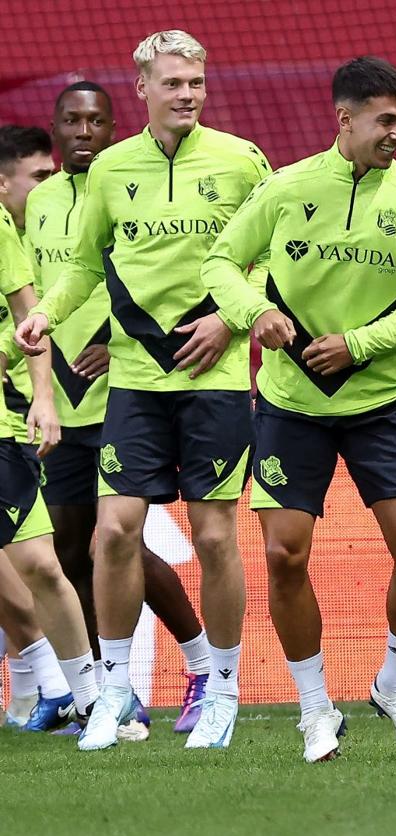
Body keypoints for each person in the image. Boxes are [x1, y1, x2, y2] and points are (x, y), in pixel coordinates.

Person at [16, 29, 272, 751]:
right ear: (143, 89)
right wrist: (45, 313)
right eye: (172, 83)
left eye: (196, 81)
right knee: (114, 532)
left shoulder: (242, 161)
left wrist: (230, 319)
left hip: (214, 380)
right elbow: (86, 270)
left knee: (217, 535)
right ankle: (116, 688)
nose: (186, 93)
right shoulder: (112, 169)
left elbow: (272, 258)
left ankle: (221, 689)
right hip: (134, 380)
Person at [202, 57, 396, 763]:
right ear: (346, 119)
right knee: (284, 554)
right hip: (289, 403)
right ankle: (315, 707)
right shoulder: (285, 188)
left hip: (380, 402)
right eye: (385, 119)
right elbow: (220, 262)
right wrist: (256, 313)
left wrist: (359, 344)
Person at [24, 81, 212, 734]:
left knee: (119, 542)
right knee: (72, 551)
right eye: (71, 120)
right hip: (57, 408)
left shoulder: (126, 182)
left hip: (124, 393)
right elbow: (45, 290)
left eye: (96, 120)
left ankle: (201, 664)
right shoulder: (37, 203)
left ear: (112, 126)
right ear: (54, 127)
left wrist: (115, 340)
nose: (84, 131)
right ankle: (114, 692)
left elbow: (151, 276)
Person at [2, 184, 101, 733]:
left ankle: (87, 698)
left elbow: (27, 315)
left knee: (42, 563)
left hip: (4, 423)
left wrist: (44, 399)